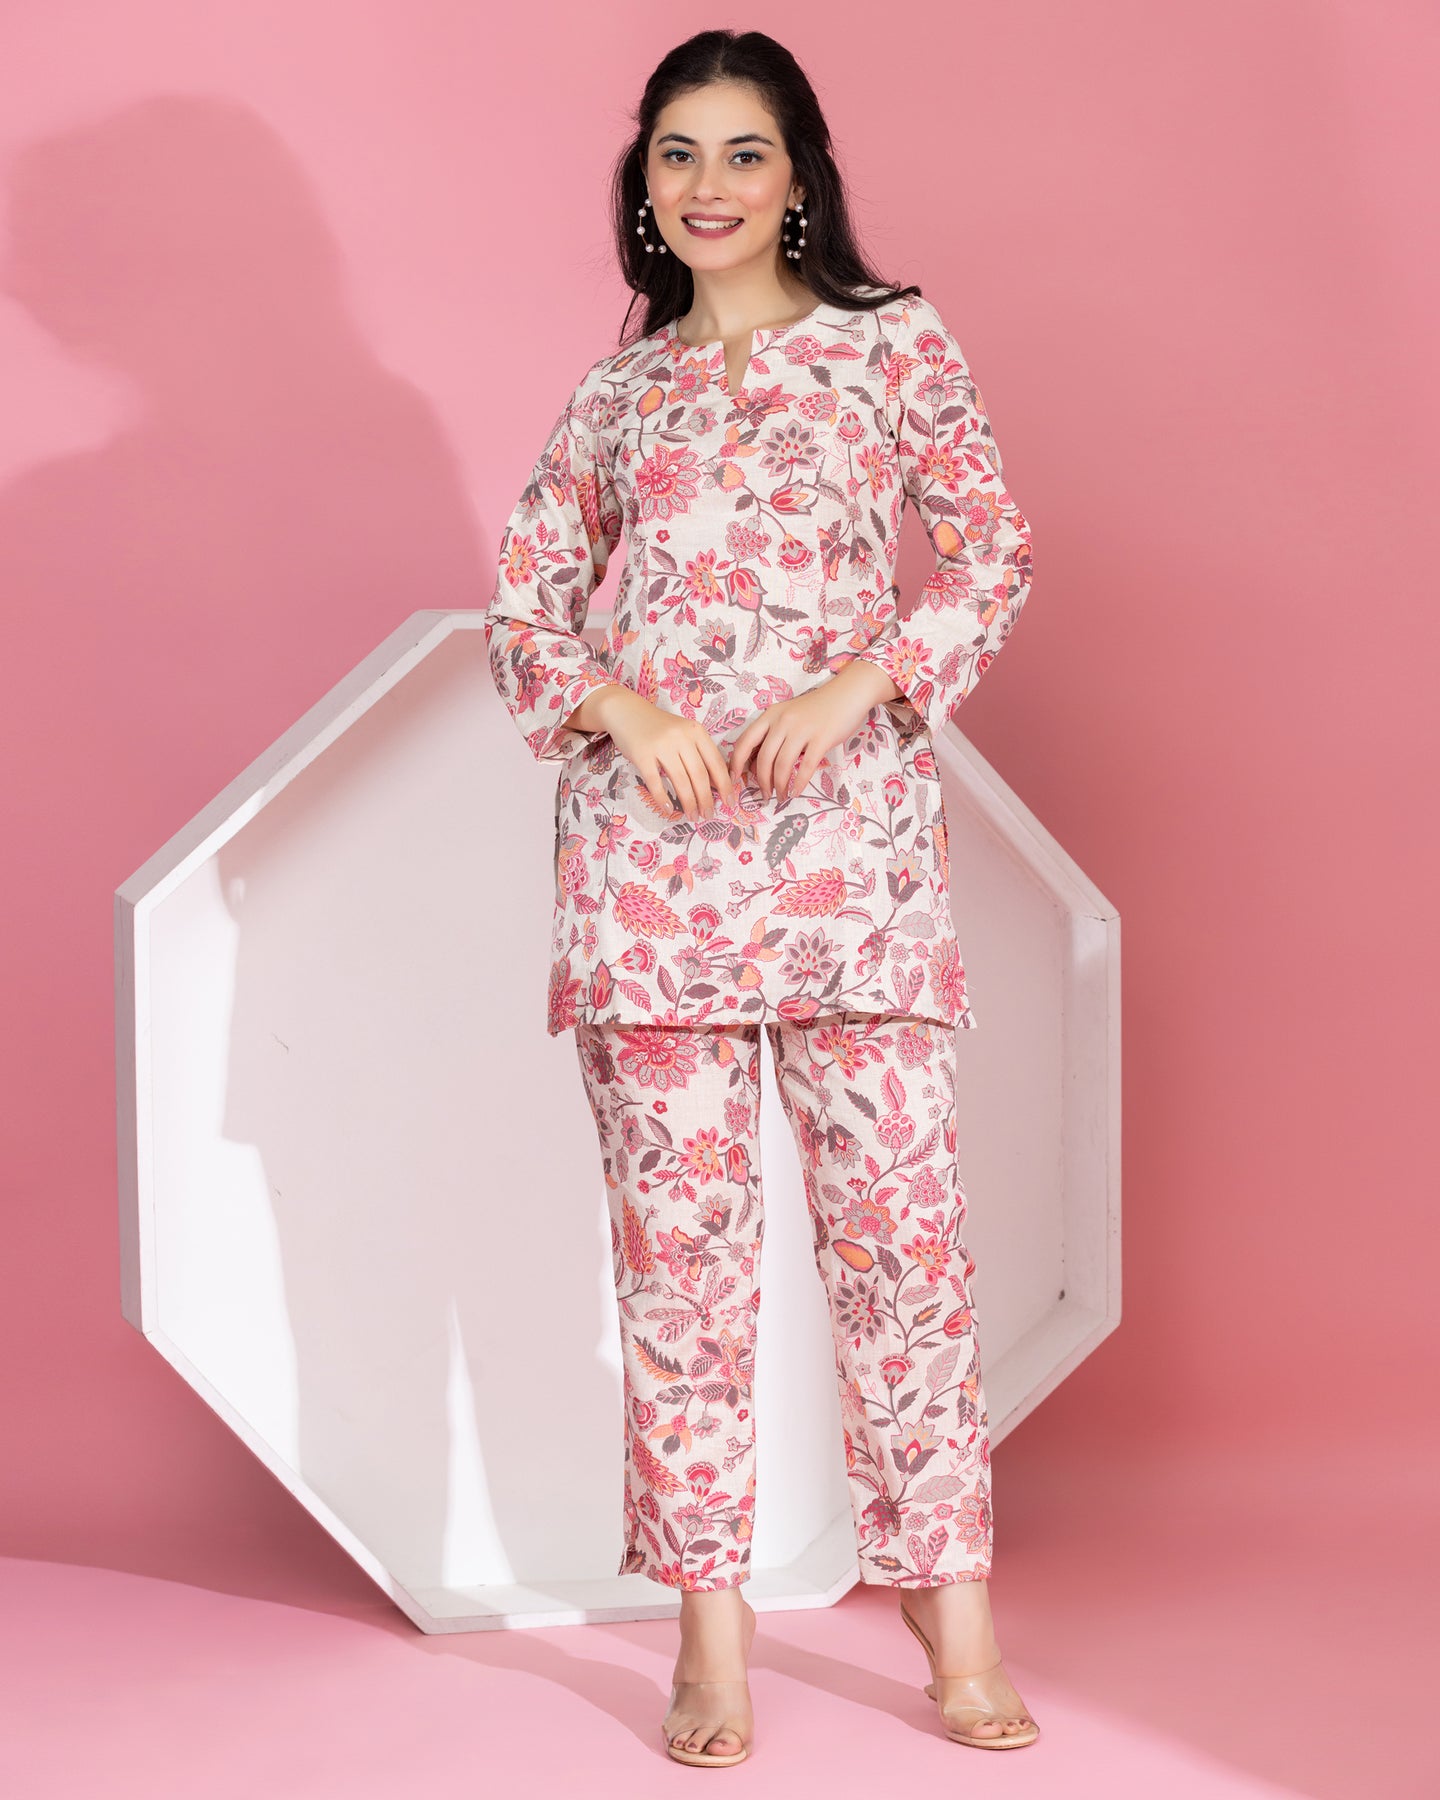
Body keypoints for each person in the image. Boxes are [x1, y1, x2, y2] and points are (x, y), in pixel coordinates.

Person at [484, 27, 1039, 1766]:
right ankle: (709, 1641)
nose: (708, 186)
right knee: (682, 1273)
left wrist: (860, 685)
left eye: (742, 153)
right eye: (677, 154)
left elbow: (993, 554)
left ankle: (953, 1616)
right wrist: (624, 709)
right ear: (642, 184)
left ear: (800, 175)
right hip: (650, 889)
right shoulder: (616, 397)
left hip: (852, 866)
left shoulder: (892, 346)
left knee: (904, 1251)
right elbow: (524, 617)